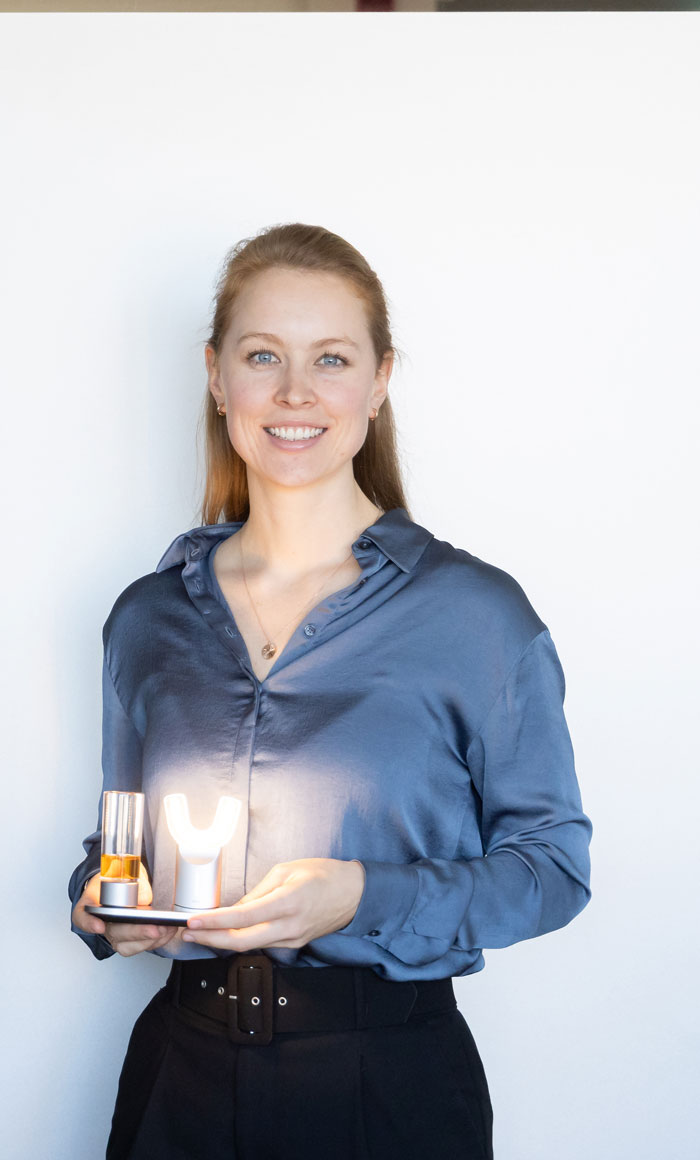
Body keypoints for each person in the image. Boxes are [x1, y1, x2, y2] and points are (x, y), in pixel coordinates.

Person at [68, 223, 590, 1159]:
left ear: (381, 380)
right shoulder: (146, 619)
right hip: (178, 1082)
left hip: (387, 1089)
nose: (295, 392)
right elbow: (121, 843)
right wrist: (102, 901)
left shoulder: (475, 616)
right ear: (217, 376)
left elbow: (552, 870)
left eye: (332, 359)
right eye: (262, 355)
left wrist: (361, 896)